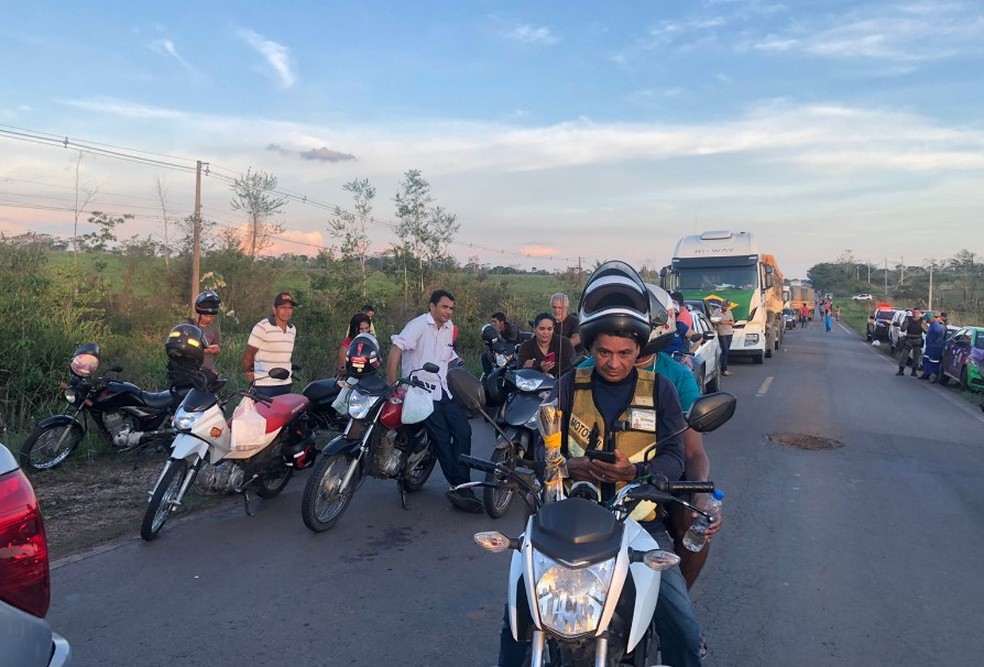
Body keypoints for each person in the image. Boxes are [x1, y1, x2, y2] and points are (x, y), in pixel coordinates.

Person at [498, 261, 703, 667]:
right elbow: (544, 448)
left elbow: (676, 456)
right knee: (518, 614)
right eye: (604, 352)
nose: (613, 362)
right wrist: (569, 468)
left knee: (681, 620)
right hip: (568, 521)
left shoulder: (660, 389)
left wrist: (639, 473)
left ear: (639, 350)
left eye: (625, 353)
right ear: (590, 348)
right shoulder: (569, 385)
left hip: (639, 525)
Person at [387, 289, 480, 513]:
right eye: (444, 307)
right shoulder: (419, 325)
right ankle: (458, 486)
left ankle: (463, 481)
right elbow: (396, 348)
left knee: (463, 431)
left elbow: (447, 359)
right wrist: (392, 383)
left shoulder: (449, 329)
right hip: (419, 392)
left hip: (442, 390)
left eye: (451, 308)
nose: (448, 312)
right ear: (432, 307)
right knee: (441, 437)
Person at [241, 291, 297, 397]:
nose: (287, 311)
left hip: (286, 383)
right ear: (274, 309)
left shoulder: (292, 329)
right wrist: (249, 372)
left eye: (290, 308)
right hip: (265, 385)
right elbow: (249, 354)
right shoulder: (262, 327)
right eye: (283, 307)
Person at [172, 290, 222, 387]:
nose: (209, 319)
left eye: (211, 316)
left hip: (207, 371)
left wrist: (216, 350)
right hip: (189, 371)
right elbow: (180, 346)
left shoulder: (214, 329)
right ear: (199, 313)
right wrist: (202, 350)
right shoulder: (188, 325)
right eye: (206, 316)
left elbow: (218, 350)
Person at [517, 312, 576, 378]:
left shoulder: (564, 342)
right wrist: (540, 366)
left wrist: (534, 363)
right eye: (542, 329)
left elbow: (571, 366)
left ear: (553, 328)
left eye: (549, 329)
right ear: (535, 328)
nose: (546, 332)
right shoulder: (526, 346)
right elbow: (520, 371)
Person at [896, 308, 923, 377]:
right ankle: (901, 370)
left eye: (917, 312)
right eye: (914, 312)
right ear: (912, 313)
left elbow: (926, 330)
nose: (915, 314)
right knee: (904, 356)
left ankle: (914, 371)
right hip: (909, 339)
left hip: (917, 340)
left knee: (916, 357)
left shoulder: (922, 320)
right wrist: (904, 324)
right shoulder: (908, 319)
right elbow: (903, 329)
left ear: (919, 313)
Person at [711, 300, 735, 377]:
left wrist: (724, 321)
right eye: (725, 306)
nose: (726, 307)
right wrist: (724, 321)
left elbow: (732, 322)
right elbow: (714, 320)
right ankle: (723, 369)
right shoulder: (717, 311)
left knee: (727, 351)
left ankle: (724, 368)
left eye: (727, 306)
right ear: (722, 305)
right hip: (722, 333)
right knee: (724, 350)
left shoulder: (729, 312)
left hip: (729, 333)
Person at [920, 312, 944, 381]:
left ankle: (933, 376)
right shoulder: (932, 325)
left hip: (935, 347)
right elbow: (928, 332)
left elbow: (936, 332)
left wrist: (933, 340)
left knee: (934, 362)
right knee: (926, 359)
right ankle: (927, 374)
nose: (926, 320)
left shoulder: (936, 326)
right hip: (930, 346)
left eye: (926, 318)